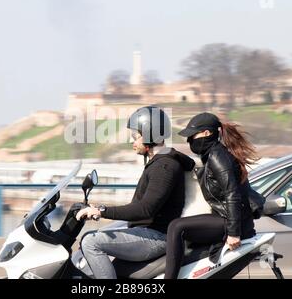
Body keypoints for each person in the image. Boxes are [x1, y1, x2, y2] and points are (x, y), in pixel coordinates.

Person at [75, 106, 194, 279]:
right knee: (95, 235)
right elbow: (138, 208)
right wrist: (99, 210)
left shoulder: (165, 166)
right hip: (147, 231)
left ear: (150, 135)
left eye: (136, 137)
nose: (133, 142)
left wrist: (101, 211)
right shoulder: (160, 162)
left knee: (91, 241)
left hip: (157, 237)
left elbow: (145, 209)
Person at [164, 112, 258, 279]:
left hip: (233, 222)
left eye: (193, 136)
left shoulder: (217, 156)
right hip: (226, 217)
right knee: (177, 225)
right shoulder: (212, 155)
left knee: (176, 227)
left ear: (207, 133)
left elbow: (232, 194)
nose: (189, 140)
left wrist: (233, 232)